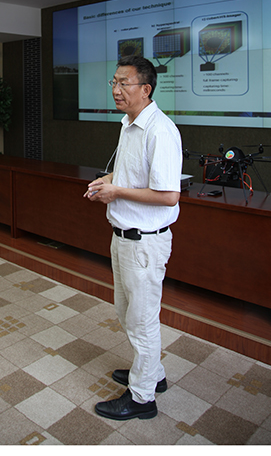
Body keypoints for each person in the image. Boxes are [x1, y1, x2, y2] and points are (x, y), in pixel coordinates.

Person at [84, 55, 182, 421]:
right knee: (126, 314)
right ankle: (152, 374)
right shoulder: (128, 124)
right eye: (113, 82)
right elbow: (131, 174)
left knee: (142, 321)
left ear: (146, 89)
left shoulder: (160, 131)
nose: (115, 90)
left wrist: (117, 192)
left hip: (145, 243)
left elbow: (169, 195)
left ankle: (142, 399)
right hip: (123, 237)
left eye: (123, 83)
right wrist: (109, 180)